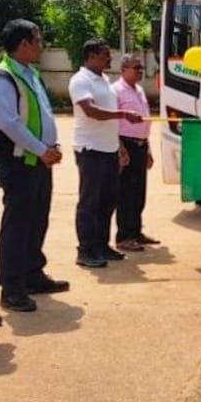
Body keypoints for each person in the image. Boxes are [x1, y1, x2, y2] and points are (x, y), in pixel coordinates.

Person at [0, 19, 69, 314]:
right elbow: (8, 122)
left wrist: (52, 146)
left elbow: (42, 112)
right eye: (38, 40)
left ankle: (33, 274)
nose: (41, 45)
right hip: (20, 161)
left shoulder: (30, 74)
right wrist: (41, 149)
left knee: (37, 220)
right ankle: (11, 288)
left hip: (40, 160)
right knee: (18, 225)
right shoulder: (2, 78)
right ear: (23, 44)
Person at [69, 39, 144, 268]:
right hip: (90, 149)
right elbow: (91, 111)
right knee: (89, 202)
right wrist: (123, 114)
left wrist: (118, 147)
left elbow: (108, 117)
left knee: (107, 201)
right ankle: (85, 250)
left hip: (108, 149)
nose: (109, 59)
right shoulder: (80, 80)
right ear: (91, 56)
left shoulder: (103, 80)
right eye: (104, 55)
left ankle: (101, 245)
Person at [113, 54, 161, 252]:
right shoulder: (116, 91)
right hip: (126, 145)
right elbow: (112, 123)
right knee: (126, 193)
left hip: (141, 145)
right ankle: (124, 236)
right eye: (136, 67)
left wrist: (148, 148)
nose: (140, 71)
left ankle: (136, 231)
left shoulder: (139, 90)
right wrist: (120, 148)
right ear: (124, 69)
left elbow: (144, 121)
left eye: (141, 67)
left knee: (139, 192)